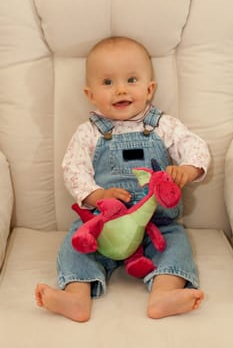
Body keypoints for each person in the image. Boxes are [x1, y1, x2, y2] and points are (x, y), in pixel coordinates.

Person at [35, 36, 210, 322]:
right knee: (76, 245)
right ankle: (76, 296)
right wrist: (97, 196)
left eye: (131, 80)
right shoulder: (88, 132)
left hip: (158, 222)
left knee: (177, 246)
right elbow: (73, 168)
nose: (120, 90)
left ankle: (165, 293)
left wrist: (187, 170)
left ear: (149, 89)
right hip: (104, 224)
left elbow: (196, 147)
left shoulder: (163, 125)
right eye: (107, 83)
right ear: (90, 94)